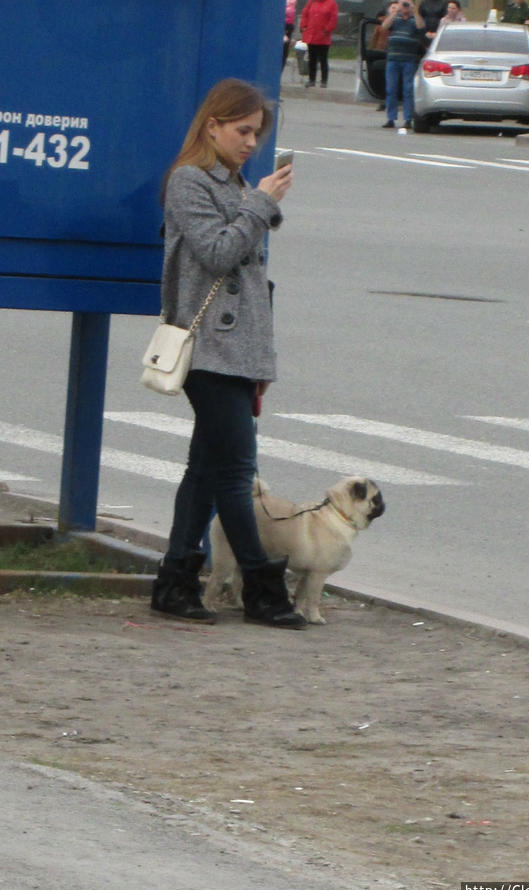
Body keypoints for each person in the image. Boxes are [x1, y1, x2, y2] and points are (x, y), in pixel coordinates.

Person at [151, 79, 306, 630]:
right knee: (238, 471)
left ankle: (174, 581)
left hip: (238, 352)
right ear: (212, 125)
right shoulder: (188, 181)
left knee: (206, 470)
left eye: (257, 134)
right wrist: (261, 202)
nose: (250, 143)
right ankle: (264, 589)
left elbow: (253, 282)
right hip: (209, 350)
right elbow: (217, 253)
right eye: (242, 131)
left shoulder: (238, 184)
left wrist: (262, 364)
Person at [381, 0, 426, 128]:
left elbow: (420, 27)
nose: (405, 7)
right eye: (403, 4)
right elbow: (384, 26)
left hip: (409, 59)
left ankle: (408, 119)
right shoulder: (395, 18)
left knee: (408, 90)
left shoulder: (414, 19)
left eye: (407, 4)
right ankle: (391, 118)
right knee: (391, 89)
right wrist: (396, 11)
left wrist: (415, 11)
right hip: (393, 58)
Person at [300, 0, 339, 88]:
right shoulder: (311, 2)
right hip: (311, 35)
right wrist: (303, 26)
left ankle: (324, 80)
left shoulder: (332, 3)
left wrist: (327, 30)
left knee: (323, 59)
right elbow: (305, 14)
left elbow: (333, 18)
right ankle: (311, 80)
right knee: (312, 59)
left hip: (323, 36)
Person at [282, 0, 297, 70]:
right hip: (283, 24)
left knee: (284, 49)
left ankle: (280, 69)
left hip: (287, 25)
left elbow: (291, 12)